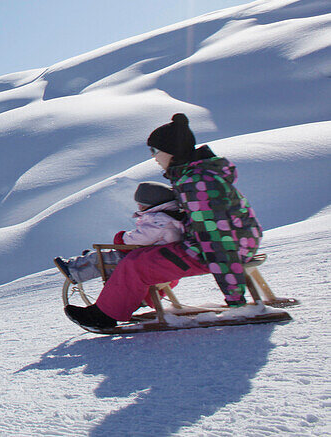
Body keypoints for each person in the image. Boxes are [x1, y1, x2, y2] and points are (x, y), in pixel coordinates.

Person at [65, 113, 263, 330]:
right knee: (141, 256)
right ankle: (128, 300)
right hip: (232, 241)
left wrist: (235, 296)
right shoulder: (194, 176)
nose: (154, 157)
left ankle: (104, 315)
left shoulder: (197, 183)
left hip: (230, 247)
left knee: (138, 264)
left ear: (171, 151)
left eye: (155, 151)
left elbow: (216, 237)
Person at [54, 181, 185, 284]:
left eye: (142, 204)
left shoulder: (159, 221)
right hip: (153, 257)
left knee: (102, 259)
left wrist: (121, 238)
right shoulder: (168, 218)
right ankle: (84, 262)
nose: (139, 207)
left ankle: (73, 271)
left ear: (153, 204)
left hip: (146, 260)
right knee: (106, 257)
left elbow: (139, 238)